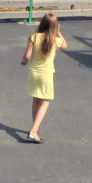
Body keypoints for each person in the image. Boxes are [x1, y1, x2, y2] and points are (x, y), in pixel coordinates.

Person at [21, 13, 67, 142]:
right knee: (46, 101)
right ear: (54, 26)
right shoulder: (55, 40)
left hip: (33, 71)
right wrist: (58, 31)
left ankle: (35, 127)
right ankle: (34, 130)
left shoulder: (34, 36)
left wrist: (24, 61)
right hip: (46, 73)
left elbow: (27, 55)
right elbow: (65, 45)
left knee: (36, 99)